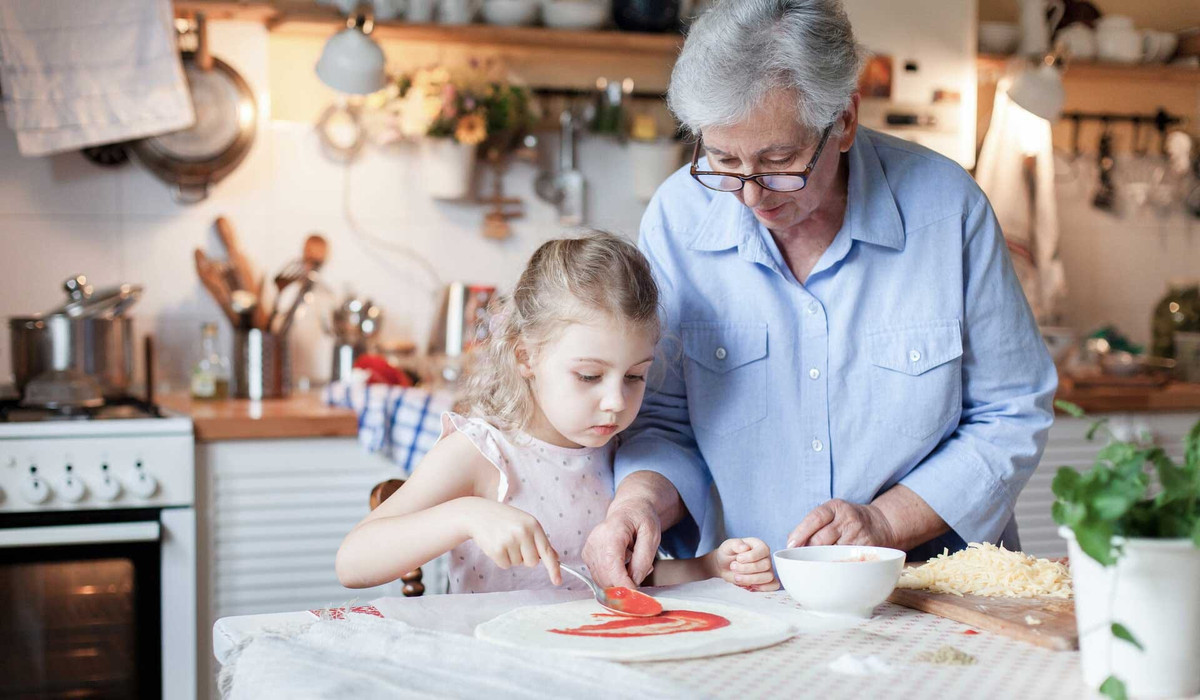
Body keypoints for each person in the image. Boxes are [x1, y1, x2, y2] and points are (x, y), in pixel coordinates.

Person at [582, 0, 1058, 590]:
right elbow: (661, 421)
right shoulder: (679, 219)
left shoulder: (947, 209)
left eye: (778, 161)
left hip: (928, 594)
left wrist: (885, 520)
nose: (751, 196)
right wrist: (639, 507)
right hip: (749, 599)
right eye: (724, 161)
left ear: (845, 121)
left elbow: (1011, 411)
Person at [336, 232, 779, 593]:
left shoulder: (623, 456)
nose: (616, 402)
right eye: (589, 376)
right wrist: (467, 515)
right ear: (525, 356)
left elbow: (617, 583)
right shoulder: (482, 454)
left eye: (634, 376)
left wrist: (710, 566)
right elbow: (353, 562)